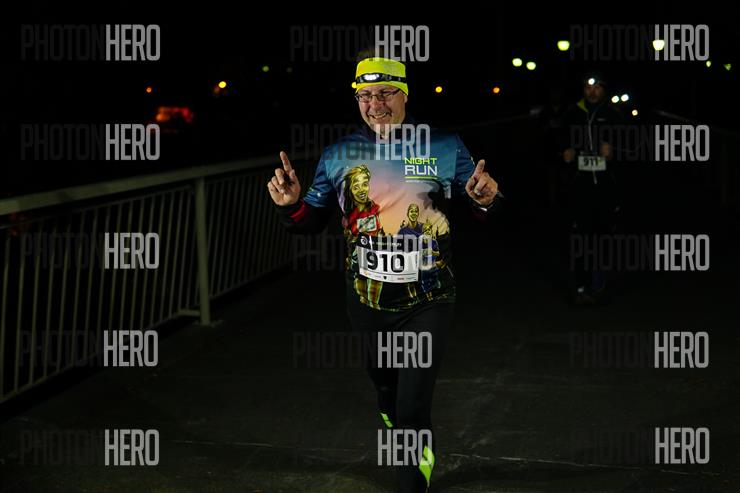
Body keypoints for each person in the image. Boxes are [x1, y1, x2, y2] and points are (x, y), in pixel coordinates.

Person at [267, 53, 502, 492]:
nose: (375, 105)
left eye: (386, 93)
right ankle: (394, 411)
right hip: (367, 299)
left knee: (412, 405)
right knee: (388, 390)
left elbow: (481, 204)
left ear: (405, 95)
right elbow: (309, 221)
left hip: (429, 297)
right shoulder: (339, 154)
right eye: (365, 96)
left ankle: (412, 474)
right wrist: (291, 206)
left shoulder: (443, 144)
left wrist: (486, 200)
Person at [559, 73, 624, 305]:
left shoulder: (613, 115)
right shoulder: (572, 114)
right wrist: (564, 153)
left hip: (605, 187)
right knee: (580, 236)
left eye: (597, 87)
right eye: (588, 88)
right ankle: (580, 287)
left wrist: (614, 152)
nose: (592, 92)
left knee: (603, 235)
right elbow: (557, 141)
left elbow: (630, 149)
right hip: (580, 186)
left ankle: (599, 280)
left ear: (604, 90)